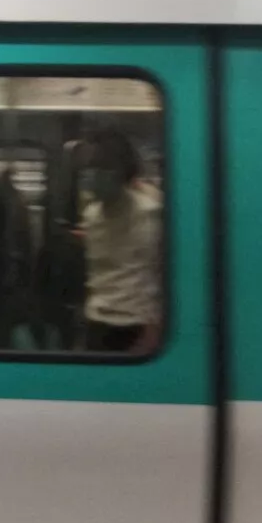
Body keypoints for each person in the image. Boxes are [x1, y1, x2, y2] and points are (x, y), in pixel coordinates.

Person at [75, 127, 162, 355]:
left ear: (121, 171)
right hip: (96, 319)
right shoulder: (91, 214)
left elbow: (158, 273)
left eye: (101, 168)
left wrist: (154, 329)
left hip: (136, 325)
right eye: (88, 168)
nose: (91, 175)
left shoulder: (149, 212)